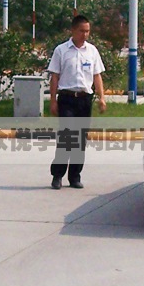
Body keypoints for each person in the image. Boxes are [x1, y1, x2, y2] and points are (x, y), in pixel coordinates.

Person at [47, 14, 107, 189]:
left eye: (87, 31)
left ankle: (75, 176)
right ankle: (57, 175)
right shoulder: (61, 50)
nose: (85, 34)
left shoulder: (92, 51)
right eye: (81, 31)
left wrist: (102, 98)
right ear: (73, 30)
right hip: (66, 99)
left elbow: (97, 76)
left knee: (80, 140)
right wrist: (52, 101)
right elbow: (55, 77)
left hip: (84, 100)